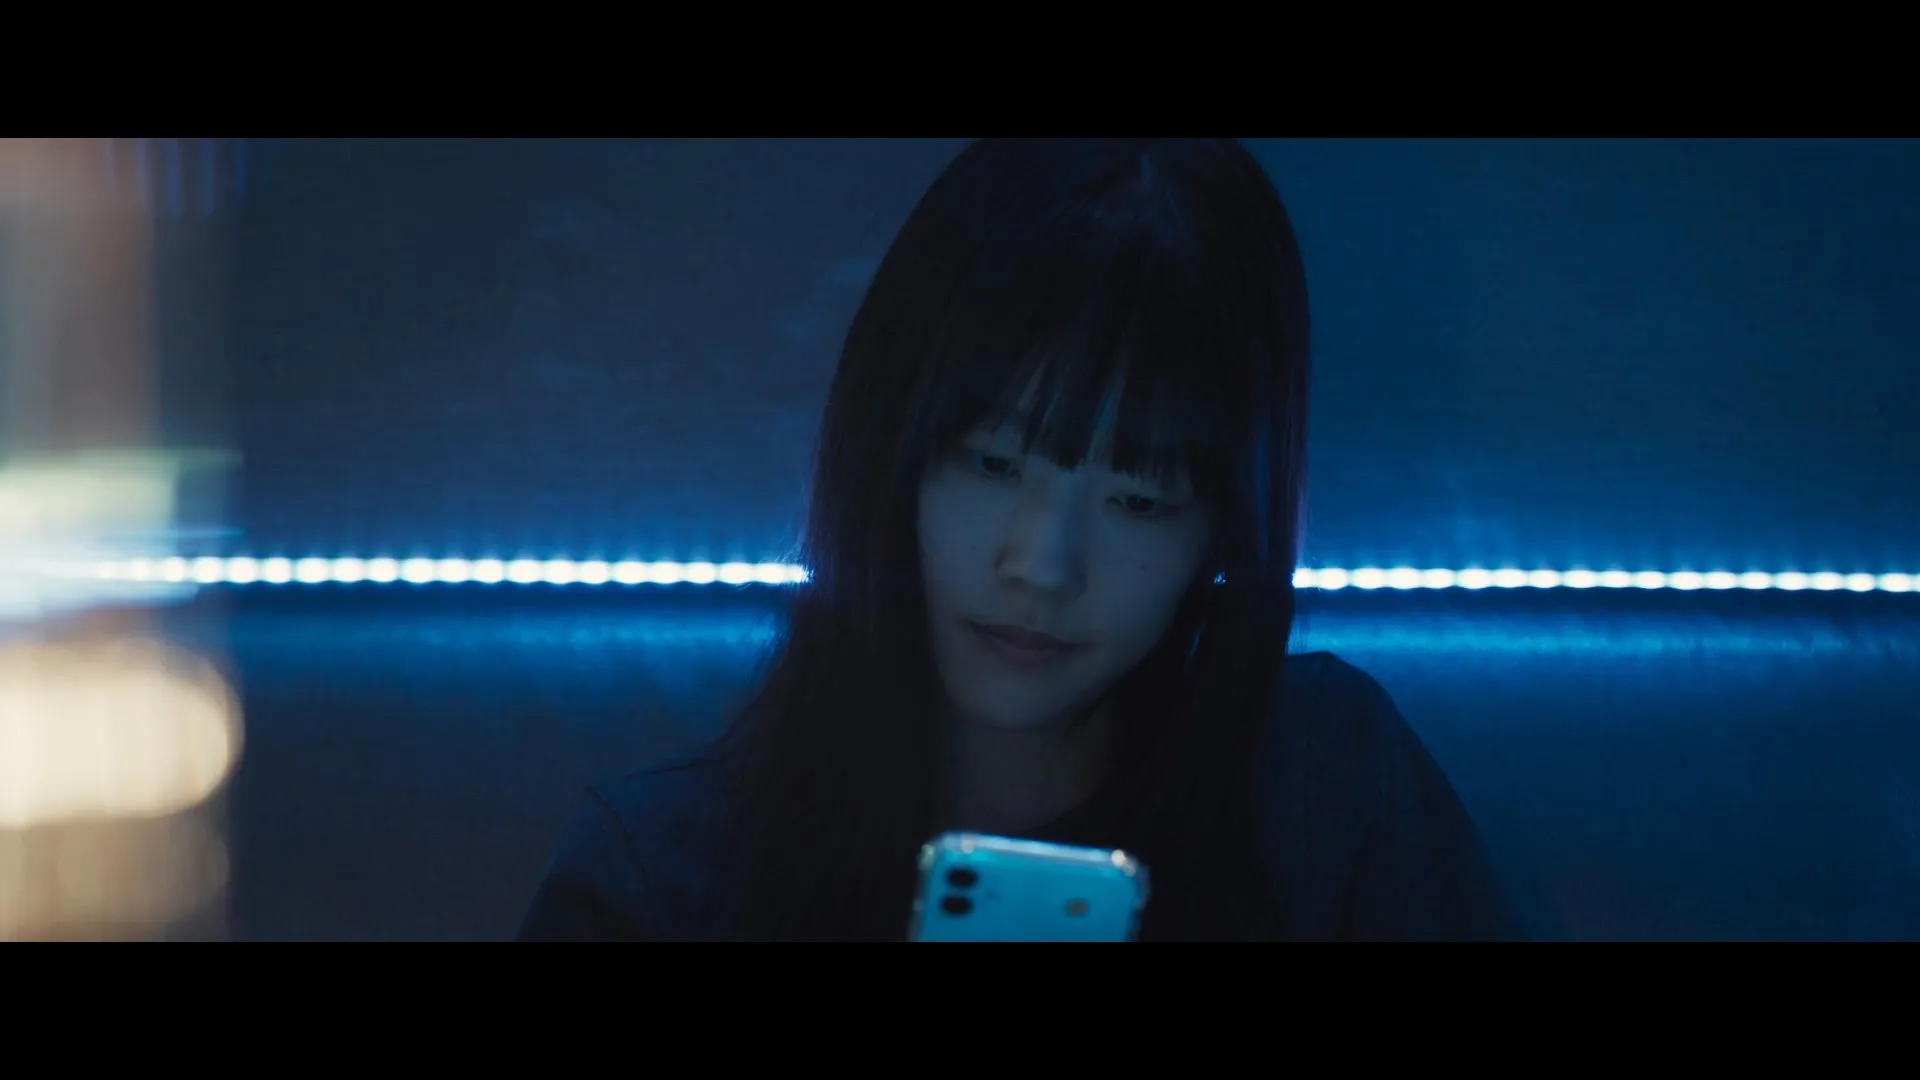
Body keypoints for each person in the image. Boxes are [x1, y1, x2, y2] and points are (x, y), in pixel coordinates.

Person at [518, 138, 1524, 941]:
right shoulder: (663, 878)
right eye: (994, 465)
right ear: (893, 454)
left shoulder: (1320, 786)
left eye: (1140, 501)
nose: (1042, 567)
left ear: (1225, 528)